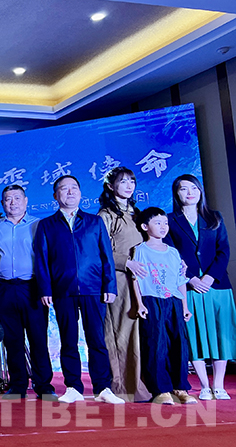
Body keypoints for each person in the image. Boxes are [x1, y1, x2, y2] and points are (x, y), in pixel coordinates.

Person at [34, 175, 125, 404]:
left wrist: (109, 285)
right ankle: (73, 386)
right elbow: (42, 260)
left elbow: (106, 256)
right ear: (55, 195)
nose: (70, 192)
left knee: (97, 340)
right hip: (62, 289)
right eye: (64, 189)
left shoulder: (95, 222)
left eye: (74, 188)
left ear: (81, 193)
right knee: (68, 340)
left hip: (94, 288)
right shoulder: (46, 225)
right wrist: (45, 289)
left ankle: (102, 387)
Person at [164, 174, 236, 401]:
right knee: (194, 334)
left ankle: (218, 384)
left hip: (217, 285)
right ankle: (204, 385)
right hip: (189, 288)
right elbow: (170, 254)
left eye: (194, 188)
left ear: (200, 191)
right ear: (176, 193)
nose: (190, 193)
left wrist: (210, 277)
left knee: (221, 334)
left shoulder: (214, 217)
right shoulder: (170, 220)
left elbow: (223, 250)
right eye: (184, 189)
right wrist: (191, 279)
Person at [0, 185, 56, 401]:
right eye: (8, 199)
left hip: (32, 288)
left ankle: (43, 385)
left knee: (38, 338)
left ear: (26, 201)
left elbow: (47, 257)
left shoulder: (39, 225)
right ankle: (18, 384)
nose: (13, 203)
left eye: (17, 198)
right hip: (5, 288)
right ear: (3, 203)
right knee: (12, 340)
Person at [131, 207, 197, 405]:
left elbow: (180, 280)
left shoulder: (173, 252)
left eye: (165, 223)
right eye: (157, 223)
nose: (163, 227)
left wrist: (185, 306)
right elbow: (135, 279)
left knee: (179, 344)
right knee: (155, 344)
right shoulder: (140, 250)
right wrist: (140, 304)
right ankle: (160, 390)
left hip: (174, 301)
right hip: (152, 300)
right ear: (145, 227)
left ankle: (180, 387)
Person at [97, 167, 151, 402]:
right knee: (122, 332)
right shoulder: (106, 215)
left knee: (142, 333)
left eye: (132, 181)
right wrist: (126, 263)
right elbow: (101, 249)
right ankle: (124, 386)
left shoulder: (137, 214)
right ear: (110, 186)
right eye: (123, 182)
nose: (129, 186)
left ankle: (145, 382)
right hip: (120, 280)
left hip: (143, 280)